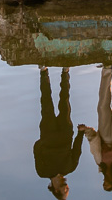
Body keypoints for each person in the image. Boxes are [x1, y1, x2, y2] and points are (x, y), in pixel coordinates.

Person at [34, 66, 84, 199]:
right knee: (65, 101)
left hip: (48, 133)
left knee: (46, 102)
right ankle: (65, 72)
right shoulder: (70, 168)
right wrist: (80, 133)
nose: (67, 188)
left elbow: (36, 151)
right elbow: (77, 150)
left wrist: (43, 141)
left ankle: (44, 72)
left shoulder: (42, 172)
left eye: (64, 191)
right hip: (65, 133)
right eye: (68, 190)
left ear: (56, 190)